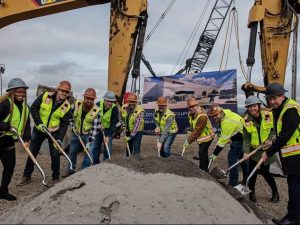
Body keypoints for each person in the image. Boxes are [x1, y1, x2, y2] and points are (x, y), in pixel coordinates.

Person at [17, 80, 72, 186]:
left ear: (68, 93)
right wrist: (39, 123)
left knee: (55, 155)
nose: (64, 93)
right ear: (58, 89)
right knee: (32, 152)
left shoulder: (67, 106)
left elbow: (64, 124)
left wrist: (59, 139)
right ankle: (26, 176)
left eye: (66, 92)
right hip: (39, 129)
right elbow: (34, 108)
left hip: (54, 132)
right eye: (62, 90)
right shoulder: (46, 96)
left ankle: (55, 178)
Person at [261, 83, 300, 225]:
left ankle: (294, 218)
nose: (272, 102)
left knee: (295, 185)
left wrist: (268, 152)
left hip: (297, 155)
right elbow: (280, 133)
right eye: (269, 99)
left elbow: (285, 135)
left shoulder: (290, 109)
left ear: (282, 95)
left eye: (274, 98)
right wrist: (272, 141)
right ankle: (292, 215)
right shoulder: (281, 108)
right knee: (293, 184)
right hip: (293, 155)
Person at [242, 96, 279, 203]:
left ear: (258, 106)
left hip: (267, 149)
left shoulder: (268, 115)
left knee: (265, 172)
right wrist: (245, 152)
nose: (252, 108)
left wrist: (270, 140)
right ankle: (251, 193)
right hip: (255, 150)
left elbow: (274, 130)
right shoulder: (246, 120)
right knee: (251, 173)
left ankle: (275, 192)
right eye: (249, 107)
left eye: (254, 106)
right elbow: (246, 138)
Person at [0, 78, 31, 201]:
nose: (21, 94)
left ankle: (3, 191)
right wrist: (6, 126)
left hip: (9, 142)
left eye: (23, 91)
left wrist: (27, 138)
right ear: (11, 92)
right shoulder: (4, 104)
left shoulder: (26, 107)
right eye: (18, 91)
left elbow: (27, 124)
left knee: (9, 167)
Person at [62, 88, 100, 177]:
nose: (89, 100)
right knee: (72, 152)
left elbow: (95, 129)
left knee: (88, 153)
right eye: (87, 98)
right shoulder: (77, 104)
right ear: (84, 97)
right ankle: (70, 169)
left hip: (88, 134)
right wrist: (73, 125)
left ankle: (84, 171)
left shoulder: (96, 111)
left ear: (94, 99)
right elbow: (70, 116)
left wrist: (90, 142)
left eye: (91, 99)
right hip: (76, 133)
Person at [208, 104, 248, 187]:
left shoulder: (227, 122)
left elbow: (222, 142)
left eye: (216, 115)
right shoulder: (226, 113)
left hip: (240, 139)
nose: (215, 117)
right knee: (243, 160)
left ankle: (233, 184)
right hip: (242, 137)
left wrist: (214, 154)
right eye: (213, 116)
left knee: (232, 158)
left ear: (221, 112)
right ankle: (246, 180)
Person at [183, 98, 214, 171]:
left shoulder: (202, 116)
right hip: (201, 138)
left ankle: (203, 169)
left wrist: (188, 140)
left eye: (193, 106)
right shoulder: (190, 114)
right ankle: (205, 169)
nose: (192, 108)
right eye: (190, 107)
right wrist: (190, 130)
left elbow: (197, 130)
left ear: (197, 105)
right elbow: (193, 126)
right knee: (203, 153)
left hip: (208, 137)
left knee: (202, 152)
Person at [92, 90, 118, 163]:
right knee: (96, 146)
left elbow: (113, 124)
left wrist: (108, 136)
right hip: (98, 129)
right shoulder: (97, 105)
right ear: (104, 100)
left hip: (108, 130)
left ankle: (106, 163)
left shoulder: (114, 109)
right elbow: (92, 117)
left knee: (107, 147)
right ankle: (95, 163)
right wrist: (98, 124)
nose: (109, 103)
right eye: (107, 101)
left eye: (111, 101)